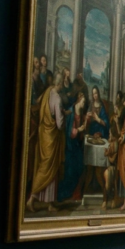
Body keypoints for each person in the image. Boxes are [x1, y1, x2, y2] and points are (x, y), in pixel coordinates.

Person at [27, 72, 67, 212]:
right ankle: (32, 199)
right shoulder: (57, 98)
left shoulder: (47, 92)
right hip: (52, 137)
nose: (63, 86)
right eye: (62, 83)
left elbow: (46, 112)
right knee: (48, 169)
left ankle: (50, 203)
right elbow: (59, 124)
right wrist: (64, 116)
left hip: (44, 135)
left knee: (46, 168)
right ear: (59, 83)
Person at [60, 93, 88, 202]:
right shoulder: (71, 112)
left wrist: (83, 128)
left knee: (80, 165)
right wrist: (79, 130)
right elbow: (69, 132)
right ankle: (66, 193)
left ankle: (74, 192)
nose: (84, 104)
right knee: (70, 171)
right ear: (79, 100)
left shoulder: (80, 111)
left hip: (76, 144)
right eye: (83, 102)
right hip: (70, 146)